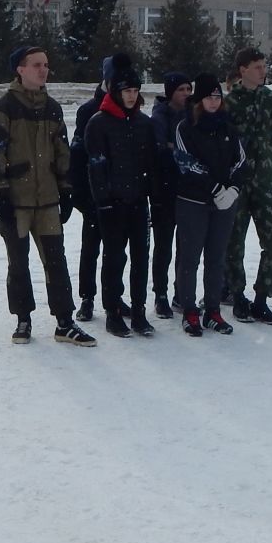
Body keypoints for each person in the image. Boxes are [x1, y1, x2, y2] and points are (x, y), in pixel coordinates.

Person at [0, 44, 85, 345]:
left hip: (48, 202)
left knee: (56, 260)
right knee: (18, 262)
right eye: (37, 64)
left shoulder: (52, 108)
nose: (43, 70)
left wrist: (67, 190)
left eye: (46, 64)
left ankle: (65, 321)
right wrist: (0, 194)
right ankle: (23, 319)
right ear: (21, 69)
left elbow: (62, 153)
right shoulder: (4, 108)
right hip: (16, 202)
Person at [85, 58, 158, 338]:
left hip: (139, 202)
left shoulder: (144, 123)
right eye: (126, 90)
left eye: (135, 90)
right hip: (112, 205)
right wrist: (103, 200)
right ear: (115, 91)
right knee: (114, 259)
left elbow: (151, 164)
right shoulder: (99, 123)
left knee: (141, 258)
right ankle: (113, 312)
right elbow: (96, 165)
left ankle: (138, 311)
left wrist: (153, 195)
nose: (131, 95)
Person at [171, 73, 246, 336]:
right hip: (193, 201)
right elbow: (186, 163)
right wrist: (214, 188)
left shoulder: (228, 126)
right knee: (189, 258)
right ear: (199, 100)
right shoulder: (186, 127)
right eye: (208, 97)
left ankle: (213, 310)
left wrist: (233, 188)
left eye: (217, 97)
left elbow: (240, 160)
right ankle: (189, 310)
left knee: (216, 257)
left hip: (225, 203)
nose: (213, 102)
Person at [223, 47, 272, 325]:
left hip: (264, 183)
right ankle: (237, 297)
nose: (263, 71)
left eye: (264, 66)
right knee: (233, 245)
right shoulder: (229, 103)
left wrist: (269, 165)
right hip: (238, 184)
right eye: (257, 66)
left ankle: (261, 299)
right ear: (243, 70)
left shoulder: (271, 99)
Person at [66, 57, 124, 324]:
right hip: (93, 195)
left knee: (117, 251)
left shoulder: (130, 111)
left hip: (120, 195)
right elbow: (77, 154)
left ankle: (115, 296)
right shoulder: (89, 110)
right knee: (91, 249)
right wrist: (78, 194)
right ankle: (87, 298)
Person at [147, 72, 191, 319]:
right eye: (181, 90)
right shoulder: (160, 116)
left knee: (186, 246)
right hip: (163, 190)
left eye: (188, 89)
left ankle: (181, 292)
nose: (186, 94)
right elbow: (161, 150)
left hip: (187, 190)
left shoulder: (192, 113)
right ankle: (160, 294)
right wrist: (178, 151)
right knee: (163, 246)